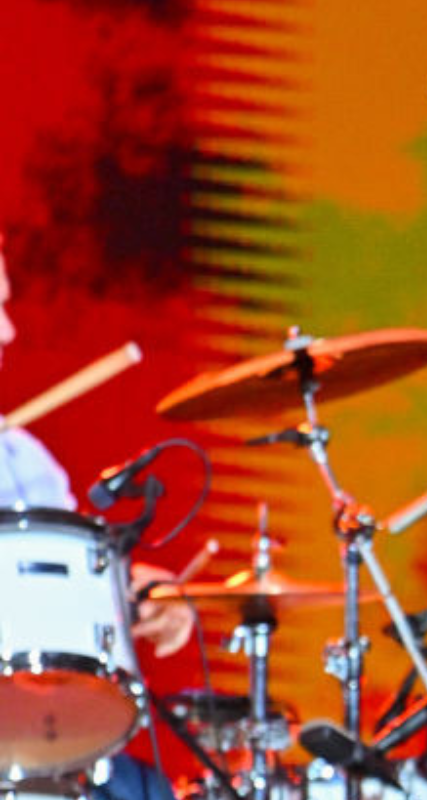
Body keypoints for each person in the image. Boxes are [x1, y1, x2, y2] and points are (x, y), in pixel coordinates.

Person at [0, 236, 188, 798]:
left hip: (24, 732)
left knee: (144, 791)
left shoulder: (22, 460)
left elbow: (55, 588)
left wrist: (132, 594)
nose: (8, 332)